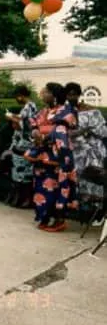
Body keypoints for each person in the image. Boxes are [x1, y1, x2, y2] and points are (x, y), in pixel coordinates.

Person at [25, 83, 78, 232]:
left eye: (46, 92)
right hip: (41, 155)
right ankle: (44, 216)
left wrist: (45, 136)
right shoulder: (43, 111)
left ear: (54, 95)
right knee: (41, 187)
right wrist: (34, 131)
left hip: (58, 156)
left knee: (57, 187)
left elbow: (62, 129)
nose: (43, 94)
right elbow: (33, 123)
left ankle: (59, 221)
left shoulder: (66, 110)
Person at [65, 82, 107, 223]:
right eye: (68, 94)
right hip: (74, 153)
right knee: (77, 181)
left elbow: (103, 131)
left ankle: (95, 214)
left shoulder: (92, 111)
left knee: (93, 181)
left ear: (79, 95)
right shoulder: (64, 112)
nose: (71, 97)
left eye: (74, 94)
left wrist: (87, 131)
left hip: (92, 152)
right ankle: (79, 211)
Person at [5, 85, 37, 208]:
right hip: (22, 143)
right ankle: (20, 198)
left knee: (25, 173)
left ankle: (26, 200)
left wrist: (11, 117)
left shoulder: (29, 106)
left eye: (16, 97)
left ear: (20, 96)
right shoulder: (28, 107)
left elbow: (25, 124)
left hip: (26, 143)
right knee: (19, 173)